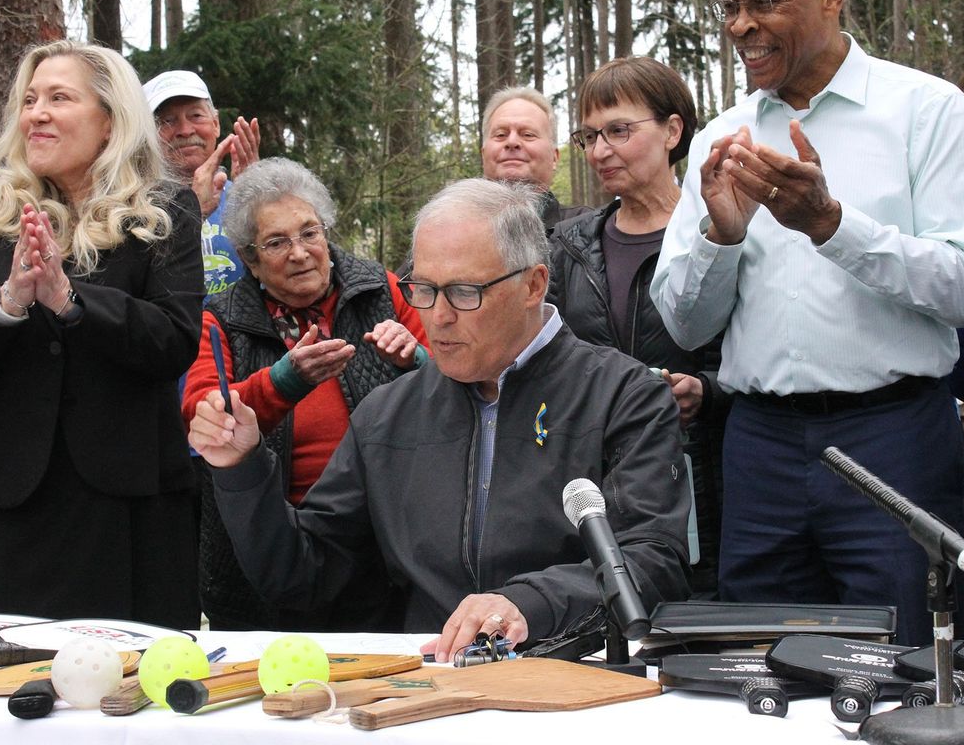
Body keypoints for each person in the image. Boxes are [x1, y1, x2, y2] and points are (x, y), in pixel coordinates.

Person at [190, 178, 691, 660]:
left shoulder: (624, 395)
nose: (438, 316)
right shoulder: (388, 415)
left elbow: (650, 561)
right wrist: (243, 468)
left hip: (577, 676)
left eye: (464, 292)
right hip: (429, 687)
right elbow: (304, 575)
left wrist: (527, 604)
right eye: (423, 289)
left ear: (533, 285)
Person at [651, 0, 964, 645]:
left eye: (763, 2)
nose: (741, 25)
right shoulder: (725, 137)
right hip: (761, 448)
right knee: (762, 664)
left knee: (911, 662)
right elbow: (685, 326)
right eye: (729, 6)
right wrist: (721, 236)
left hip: (892, 438)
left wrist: (831, 226)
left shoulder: (925, 111)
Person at [0, 41, 202, 629]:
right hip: (19, 503)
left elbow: (173, 341)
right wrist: (8, 302)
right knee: (23, 689)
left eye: (59, 98)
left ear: (109, 122)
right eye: (29, 100)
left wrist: (71, 302)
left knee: (132, 689)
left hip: (134, 501)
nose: (36, 114)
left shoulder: (163, 209)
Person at [181, 157, 430, 631]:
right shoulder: (222, 317)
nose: (299, 252)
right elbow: (204, 412)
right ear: (249, 259)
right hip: (272, 542)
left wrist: (416, 362)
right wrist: (283, 382)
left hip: (386, 538)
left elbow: (457, 380)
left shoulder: (381, 290)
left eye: (310, 233)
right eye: (277, 242)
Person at [550, 56, 726, 597]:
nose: (601, 151)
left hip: (705, 479)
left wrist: (707, 390)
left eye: (619, 131)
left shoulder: (717, 233)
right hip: (590, 477)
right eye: (590, 137)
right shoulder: (570, 245)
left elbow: (760, 350)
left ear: (673, 130)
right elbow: (550, 355)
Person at [143, 69, 260, 298]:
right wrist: (194, 212)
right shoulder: (138, 209)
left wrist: (260, 201)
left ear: (215, 124)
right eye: (168, 121)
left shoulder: (243, 194)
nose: (185, 130)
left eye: (196, 116)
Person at [481, 87, 593, 231]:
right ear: (483, 154)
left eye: (528, 134)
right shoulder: (453, 227)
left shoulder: (588, 229)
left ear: (554, 157)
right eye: (501, 134)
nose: (512, 142)